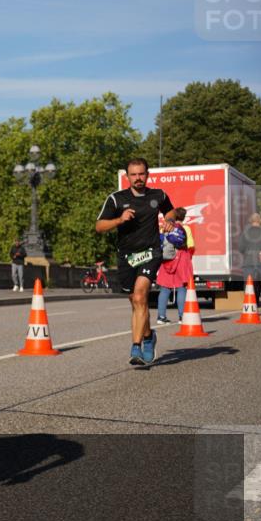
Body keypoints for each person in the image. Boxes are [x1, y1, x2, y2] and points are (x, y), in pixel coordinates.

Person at [96, 157, 176, 366]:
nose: (138, 178)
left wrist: (169, 220)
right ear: (127, 176)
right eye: (134, 174)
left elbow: (171, 210)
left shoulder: (158, 195)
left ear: (147, 174)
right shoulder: (115, 199)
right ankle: (149, 336)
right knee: (135, 301)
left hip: (151, 252)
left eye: (142, 174)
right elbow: (99, 226)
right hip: (126, 256)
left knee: (141, 296)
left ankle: (136, 347)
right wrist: (119, 220)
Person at [155, 207, 193, 324]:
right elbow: (190, 245)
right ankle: (182, 317)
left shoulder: (164, 227)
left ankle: (161, 317)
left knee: (165, 288)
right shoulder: (185, 228)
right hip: (181, 258)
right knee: (182, 287)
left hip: (167, 260)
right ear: (183, 217)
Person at [238, 212, 261, 302]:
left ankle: (249, 304)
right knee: (258, 282)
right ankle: (256, 300)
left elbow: (240, 248)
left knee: (249, 284)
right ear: (260, 221)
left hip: (248, 262)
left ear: (250, 221)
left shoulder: (245, 233)